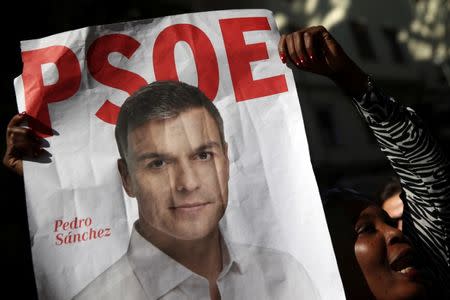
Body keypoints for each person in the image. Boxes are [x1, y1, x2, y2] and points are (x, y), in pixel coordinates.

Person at [4, 81, 319, 299]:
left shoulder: (287, 272)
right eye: (158, 163)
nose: (188, 183)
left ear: (225, 160)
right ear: (127, 178)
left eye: (203, 155)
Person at [278, 26, 450, 299]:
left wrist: (348, 76)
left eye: (389, 222)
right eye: (365, 230)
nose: (396, 233)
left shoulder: (436, 275)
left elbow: (423, 169)